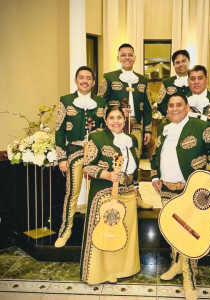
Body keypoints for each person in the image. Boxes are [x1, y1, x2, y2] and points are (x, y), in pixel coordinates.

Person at [151, 93, 210, 300]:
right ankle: (176, 265)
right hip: (166, 189)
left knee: (189, 234)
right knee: (173, 230)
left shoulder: (200, 126)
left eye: (178, 105)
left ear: (187, 106)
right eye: (171, 105)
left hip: (188, 190)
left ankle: (190, 278)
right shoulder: (163, 127)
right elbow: (156, 154)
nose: (174, 109)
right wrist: (155, 176)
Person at [80, 106, 140, 284]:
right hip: (104, 193)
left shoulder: (132, 140)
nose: (116, 121)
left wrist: (136, 186)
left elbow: (135, 167)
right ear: (106, 121)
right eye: (112, 117)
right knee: (105, 230)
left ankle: (124, 269)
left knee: (125, 232)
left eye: (119, 117)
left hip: (128, 193)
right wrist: (106, 174)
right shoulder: (96, 138)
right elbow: (87, 165)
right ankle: (102, 273)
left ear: (124, 119)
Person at [55, 66, 106, 248]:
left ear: (93, 82)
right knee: (72, 193)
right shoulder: (66, 100)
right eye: (81, 78)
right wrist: (61, 158)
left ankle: (98, 228)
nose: (85, 81)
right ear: (75, 80)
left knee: (98, 192)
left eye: (88, 78)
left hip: (96, 154)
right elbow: (59, 131)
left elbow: (106, 129)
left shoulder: (101, 102)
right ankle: (65, 230)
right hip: (74, 153)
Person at [98, 43, 153, 209]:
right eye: (123, 55)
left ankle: (136, 195)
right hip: (114, 125)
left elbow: (148, 107)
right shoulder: (109, 77)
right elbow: (101, 103)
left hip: (136, 126)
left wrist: (148, 129)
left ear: (135, 57)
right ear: (118, 58)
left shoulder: (143, 80)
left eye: (130, 55)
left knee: (134, 160)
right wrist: (105, 124)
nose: (127, 58)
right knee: (115, 159)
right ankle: (115, 193)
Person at [157, 49, 191, 116]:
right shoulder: (167, 82)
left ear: (189, 62)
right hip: (172, 122)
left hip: (193, 122)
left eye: (183, 61)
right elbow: (160, 104)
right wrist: (171, 116)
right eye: (177, 62)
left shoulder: (196, 81)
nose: (181, 64)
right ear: (173, 65)